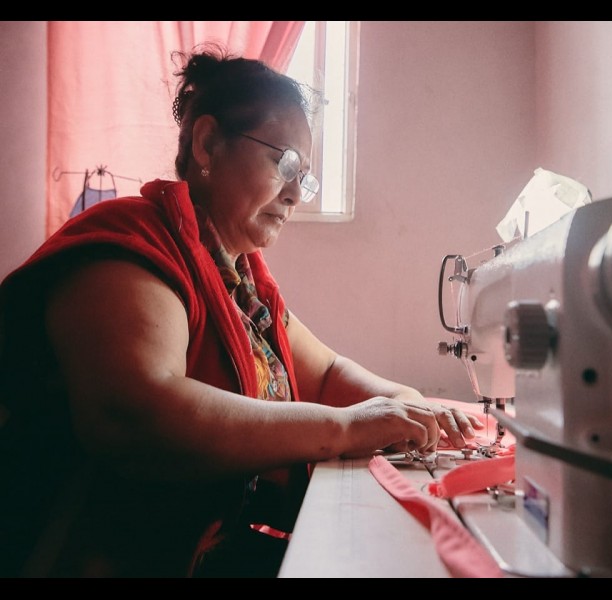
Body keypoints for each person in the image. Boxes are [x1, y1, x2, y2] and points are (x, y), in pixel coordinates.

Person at [0, 42, 482, 578]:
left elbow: (324, 373)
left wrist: (405, 403)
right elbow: (135, 412)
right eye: (286, 163)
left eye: (305, 176)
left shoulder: (240, 284)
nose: (296, 194)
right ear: (208, 144)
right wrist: (345, 428)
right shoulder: (127, 245)